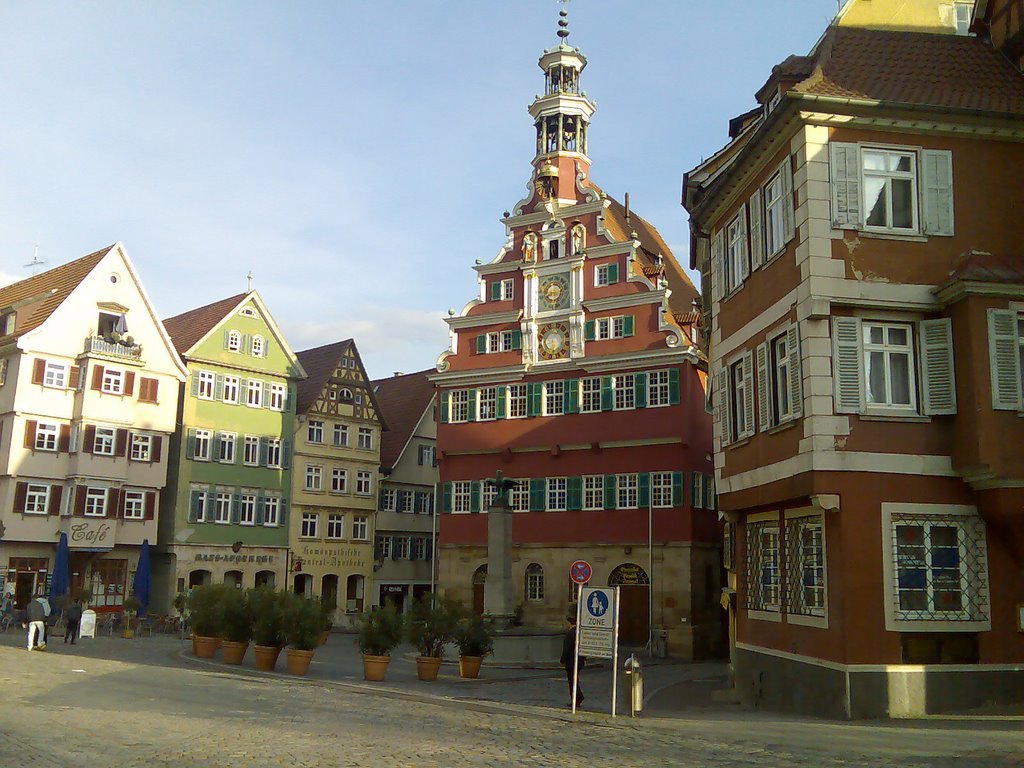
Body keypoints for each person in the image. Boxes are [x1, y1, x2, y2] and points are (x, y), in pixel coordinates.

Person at [560, 614, 584, 709]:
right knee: (575, 680)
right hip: (578, 660)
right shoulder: (579, 632)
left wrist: (562, 660)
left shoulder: (570, 634)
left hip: (571, 661)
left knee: (572, 681)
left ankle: (577, 698)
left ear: (569, 623)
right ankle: (578, 697)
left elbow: (567, 648)